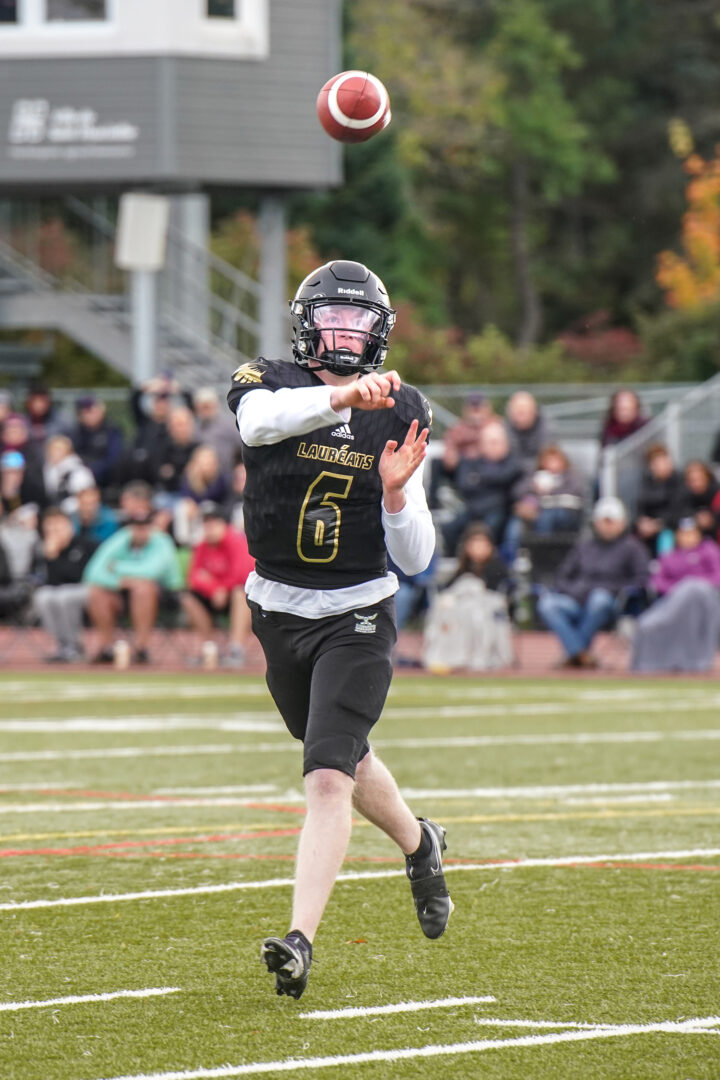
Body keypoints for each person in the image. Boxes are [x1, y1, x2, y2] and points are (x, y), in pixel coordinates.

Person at [226, 259, 451, 1000]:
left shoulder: (403, 406)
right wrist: (339, 398)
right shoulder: (267, 379)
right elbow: (261, 425)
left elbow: (418, 556)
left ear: (380, 332)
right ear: (307, 325)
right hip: (277, 610)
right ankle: (421, 844)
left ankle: (299, 940)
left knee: (326, 775)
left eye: (360, 323)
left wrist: (395, 496)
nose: (346, 335)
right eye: (334, 320)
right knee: (347, 759)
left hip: (357, 611)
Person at [536, 496, 649, 668]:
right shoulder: (584, 547)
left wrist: (611, 589)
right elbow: (562, 577)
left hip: (611, 604)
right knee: (547, 604)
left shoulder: (633, 548)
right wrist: (574, 590)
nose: (607, 526)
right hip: (576, 600)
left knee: (599, 598)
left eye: (611, 521)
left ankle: (574, 654)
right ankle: (581, 654)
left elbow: (641, 579)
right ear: (596, 523)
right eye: (603, 521)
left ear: (622, 522)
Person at [83, 509, 184, 664]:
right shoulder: (120, 539)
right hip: (124, 594)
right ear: (130, 528)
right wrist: (120, 582)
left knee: (144, 588)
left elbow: (151, 572)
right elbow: (92, 573)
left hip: (166, 595)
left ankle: (141, 648)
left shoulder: (162, 541)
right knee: (96, 592)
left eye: (145, 526)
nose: (141, 531)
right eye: (137, 527)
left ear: (151, 527)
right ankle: (107, 647)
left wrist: (118, 568)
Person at [631, 518, 720, 672]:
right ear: (677, 536)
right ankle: (651, 666)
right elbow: (657, 581)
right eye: (683, 534)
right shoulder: (669, 556)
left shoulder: (709, 550)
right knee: (646, 626)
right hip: (672, 604)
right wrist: (680, 589)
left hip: (704, 605)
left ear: (699, 535)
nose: (687, 537)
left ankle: (693, 661)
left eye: (691, 533)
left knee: (693, 590)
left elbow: (717, 576)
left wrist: (691, 585)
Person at [180, 501, 255, 667]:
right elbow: (193, 577)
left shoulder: (236, 542)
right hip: (213, 596)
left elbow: (241, 575)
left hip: (236, 598)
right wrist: (215, 589)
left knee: (239, 593)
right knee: (188, 599)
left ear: (223, 524)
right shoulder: (202, 546)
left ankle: (236, 649)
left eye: (213, 522)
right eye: (206, 523)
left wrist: (220, 587)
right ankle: (210, 649)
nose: (209, 527)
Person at [442, 419, 524, 555]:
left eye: (496, 442)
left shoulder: (514, 462)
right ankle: (457, 560)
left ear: (506, 444)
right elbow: (464, 484)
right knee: (449, 528)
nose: (492, 447)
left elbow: (505, 478)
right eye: (488, 442)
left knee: (488, 530)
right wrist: (491, 479)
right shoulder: (472, 462)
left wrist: (480, 478)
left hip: (500, 511)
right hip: (473, 509)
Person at [32, 507, 97, 662]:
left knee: (64, 595)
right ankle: (62, 644)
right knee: (43, 596)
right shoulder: (43, 548)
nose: (55, 530)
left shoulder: (85, 544)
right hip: (59, 591)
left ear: (69, 525)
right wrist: (50, 557)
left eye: (58, 525)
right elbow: (47, 581)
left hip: (86, 588)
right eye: (50, 526)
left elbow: (76, 575)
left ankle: (75, 644)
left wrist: (54, 558)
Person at [634, 443, 683, 556]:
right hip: (649, 530)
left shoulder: (679, 481)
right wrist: (642, 523)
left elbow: (678, 509)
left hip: (671, 528)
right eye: (656, 462)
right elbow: (640, 508)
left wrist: (658, 524)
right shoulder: (645, 483)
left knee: (666, 537)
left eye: (664, 460)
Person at [70, 395, 124, 493]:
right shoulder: (77, 432)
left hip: (106, 480)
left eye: (91, 411)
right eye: (84, 412)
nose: (88, 415)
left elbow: (114, 458)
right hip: (83, 479)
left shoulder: (111, 429)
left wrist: (93, 469)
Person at [504, 391, 552, 476]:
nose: (520, 413)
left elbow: (546, 458)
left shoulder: (546, 429)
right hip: (509, 475)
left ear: (534, 411)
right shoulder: (502, 430)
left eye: (524, 410)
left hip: (539, 474)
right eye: (517, 410)